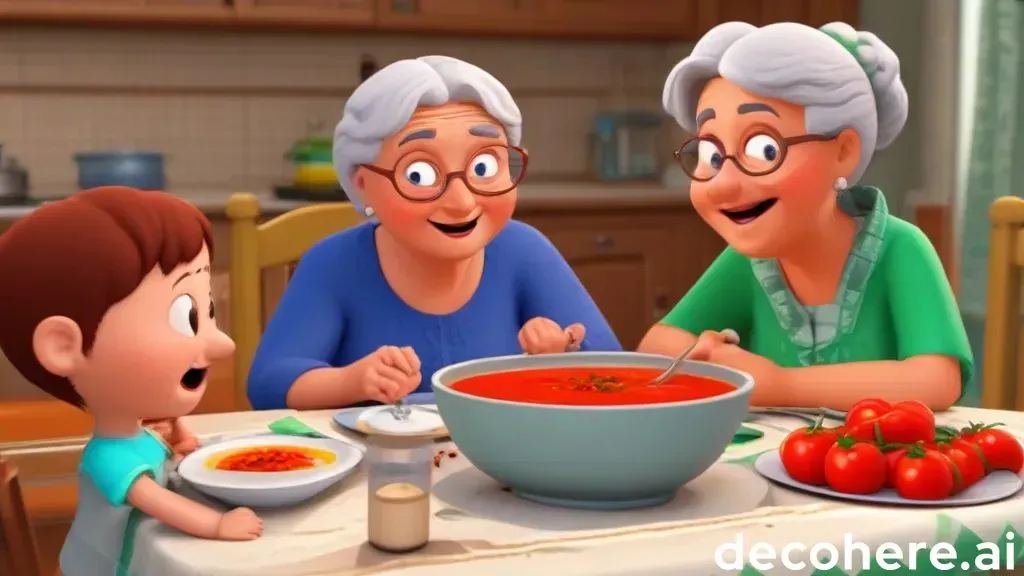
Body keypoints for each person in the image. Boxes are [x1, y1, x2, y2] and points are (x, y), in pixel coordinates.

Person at [247, 55, 620, 411]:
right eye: (420, 175)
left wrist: (564, 352)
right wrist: (350, 382)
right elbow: (269, 382)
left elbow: (614, 368)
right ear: (362, 185)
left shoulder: (524, 251)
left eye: (484, 166)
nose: (461, 201)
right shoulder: (332, 265)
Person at [640, 22, 972, 411]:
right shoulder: (750, 260)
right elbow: (656, 345)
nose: (723, 183)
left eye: (763, 149)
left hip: (882, 458)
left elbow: (937, 379)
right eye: (712, 154)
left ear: (843, 151)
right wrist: (708, 352)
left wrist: (783, 385)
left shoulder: (901, 247)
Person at [0, 187, 263, 575]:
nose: (222, 343)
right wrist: (218, 525)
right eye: (185, 316)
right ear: (62, 347)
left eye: (206, 312)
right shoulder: (108, 457)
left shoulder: (137, 434)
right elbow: (160, 503)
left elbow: (158, 451)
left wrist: (176, 439)